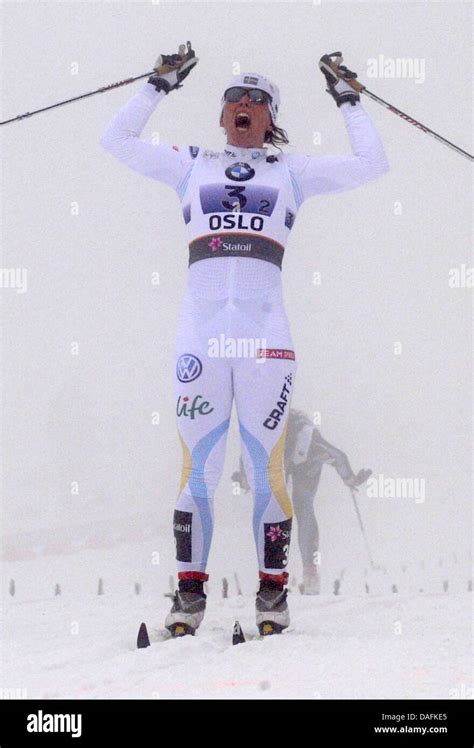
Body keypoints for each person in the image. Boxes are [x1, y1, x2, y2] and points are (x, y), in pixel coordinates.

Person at [100, 42, 389, 636]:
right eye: (234, 96)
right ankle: (187, 598)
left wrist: (349, 100)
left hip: (267, 342)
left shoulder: (293, 172)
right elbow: (116, 141)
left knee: (267, 472)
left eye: (258, 100)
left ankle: (272, 596)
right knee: (198, 472)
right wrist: (158, 86)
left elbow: (372, 162)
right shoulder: (191, 162)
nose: (244, 104)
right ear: (221, 112)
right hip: (200, 341)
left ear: (270, 118)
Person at [232, 408, 372, 594]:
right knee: (277, 505)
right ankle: (274, 571)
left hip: (306, 457)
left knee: (303, 504)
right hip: (280, 442)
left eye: (286, 465)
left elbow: (338, 456)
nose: (287, 470)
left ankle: (309, 571)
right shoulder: (265, 441)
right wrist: (244, 479)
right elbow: (248, 455)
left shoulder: (311, 444)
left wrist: (350, 479)